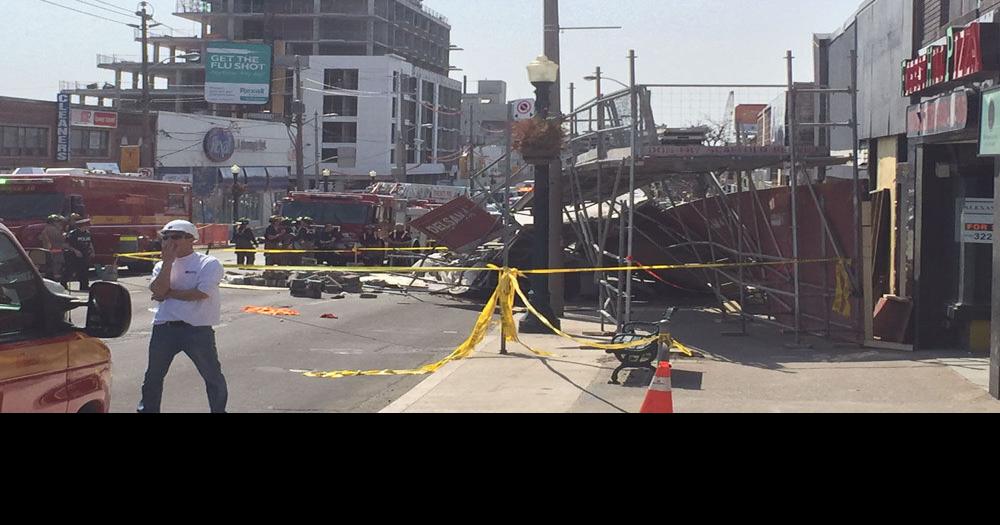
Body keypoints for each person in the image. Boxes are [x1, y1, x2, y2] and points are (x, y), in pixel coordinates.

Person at [139, 220, 228, 413]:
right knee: (153, 376)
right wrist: (168, 263)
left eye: (176, 236)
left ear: (191, 239)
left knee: (212, 375)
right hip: (165, 328)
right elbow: (157, 289)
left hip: (196, 329)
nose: (170, 241)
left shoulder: (208, 263)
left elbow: (201, 294)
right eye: (166, 237)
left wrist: (168, 294)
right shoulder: (162, 265)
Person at [64, 217, 94, 292]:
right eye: (88, 225)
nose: (89, 226)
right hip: (73, 255)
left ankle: (84, 286)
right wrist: (75, 251)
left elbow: (89, 242)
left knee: (84, 270)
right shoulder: (73, 233)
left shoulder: (87, 233)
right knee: (70, 270)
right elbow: (66, 245)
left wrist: (92, 251)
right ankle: (63, 284)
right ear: (83, 225)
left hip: (84, 255)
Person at [39, 214, 66, 283]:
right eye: (58, 222)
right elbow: (61, 239)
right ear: (53, 222)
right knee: (57, 269)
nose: (60, 223)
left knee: (50, 268)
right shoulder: (53, 230)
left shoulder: (45, 229)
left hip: (49, 252)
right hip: (56, 252)